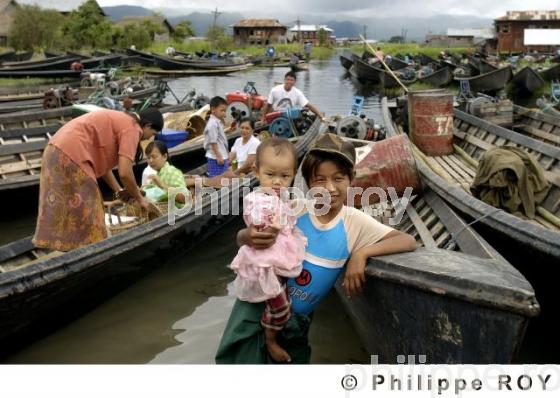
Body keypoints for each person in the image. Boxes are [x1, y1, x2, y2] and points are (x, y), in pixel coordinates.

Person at [215, 133, 417, 364]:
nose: (329, 188)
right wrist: (245, 236)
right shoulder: (295, 209)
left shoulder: (353, 222)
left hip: (296, 323)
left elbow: (407, 241)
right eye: (319, 179)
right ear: (308, 182)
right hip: (257, 306)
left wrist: (361, 253)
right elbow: (247, 237)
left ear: (351, 178)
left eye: (338, 178)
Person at [33, 108, 164, 252]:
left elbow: (104, 167)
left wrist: (119, 191)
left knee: (65, 208)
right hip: (71, 155)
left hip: (54, 151)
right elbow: (125, 173)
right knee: (91, 211)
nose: (150, 138)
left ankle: (66, 247)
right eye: (153, 133)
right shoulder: (133, 128)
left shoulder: (122, 121)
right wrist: (141, 200)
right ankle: (91, 252)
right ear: (147, 125)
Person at [230, 137, 307, 363]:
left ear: (293, 174)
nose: (277, 182)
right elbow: (258, 220)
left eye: (285, 176)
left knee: (281, 297)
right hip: (266, 261)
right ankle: (270, 338)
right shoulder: (258, 199)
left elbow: (285, 212)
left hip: (278, 257)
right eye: (270, 175)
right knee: (280, 306)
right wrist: (268, 224)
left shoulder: (281, 196)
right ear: (257, 172)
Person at [142, 141, 187, 205]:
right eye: (148, 158)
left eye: (154, 157)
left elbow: (184, 198)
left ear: (165, 156)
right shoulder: (155, 175)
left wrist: (162, 185)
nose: (150, 161)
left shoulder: (173, 172)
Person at [204, 96, 235, 178]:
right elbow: (213, 142)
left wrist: (226, 154)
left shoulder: (217, 122)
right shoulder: (212, 124)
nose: (224, 113)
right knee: (217, 178)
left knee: (223, 176)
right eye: (222, 111)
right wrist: (219, 156)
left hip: (222, 155)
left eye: (225, 111)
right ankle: (216, 189)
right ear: (213, 109)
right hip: (216, 157)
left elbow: (221, 140)